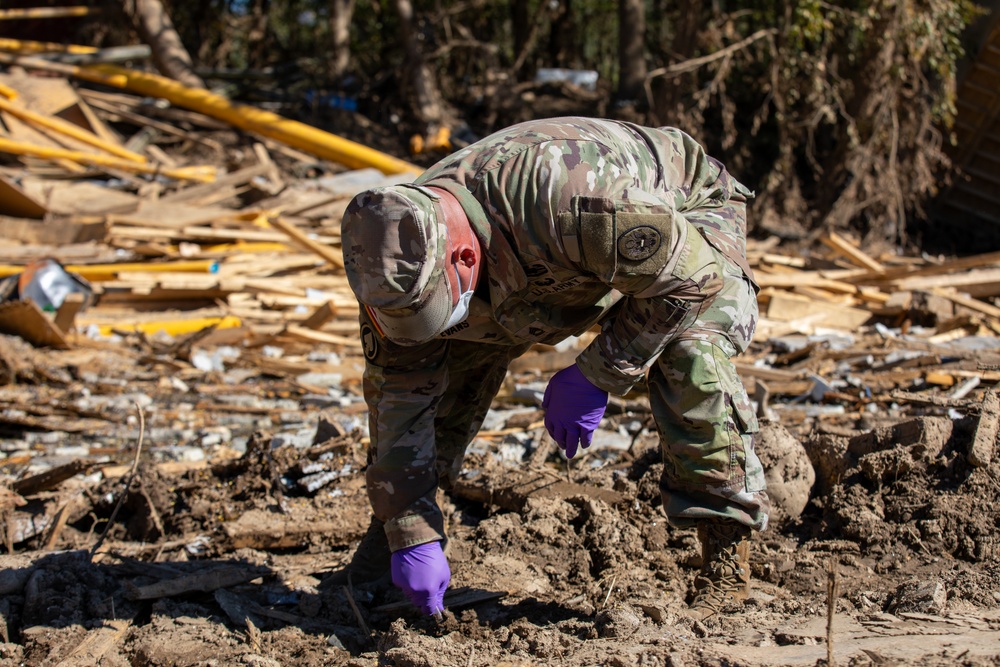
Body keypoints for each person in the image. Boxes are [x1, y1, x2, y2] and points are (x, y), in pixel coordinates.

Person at [338, 116, 770, 622]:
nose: (418, 324)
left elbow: (690, 281)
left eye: (430, 306)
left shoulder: (576, 199)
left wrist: (597, 373)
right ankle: (391, 550)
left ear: (460, 255)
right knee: (439, 364)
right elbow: (398, 403)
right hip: (551, 270)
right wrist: (409, 529)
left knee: (688, 355)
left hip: (686, 222)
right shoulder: (391, 261)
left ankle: (724, 561)